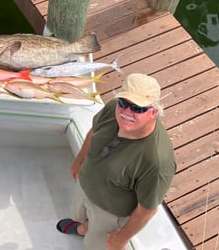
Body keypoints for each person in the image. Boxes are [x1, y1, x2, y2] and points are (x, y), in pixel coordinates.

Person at [56, 73, 176, 250]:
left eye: (138, 108)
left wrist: (120, 239)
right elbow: (93, 132)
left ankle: (91, 233)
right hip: (86, 183)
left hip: (111, 212)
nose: (127, 112)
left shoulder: (157, 162)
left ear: (153, 112)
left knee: (95, 245)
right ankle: (83, 228)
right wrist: (78, 162)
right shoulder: (113, 108)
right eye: (124, 103)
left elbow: (147, 210)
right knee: (79, 214)